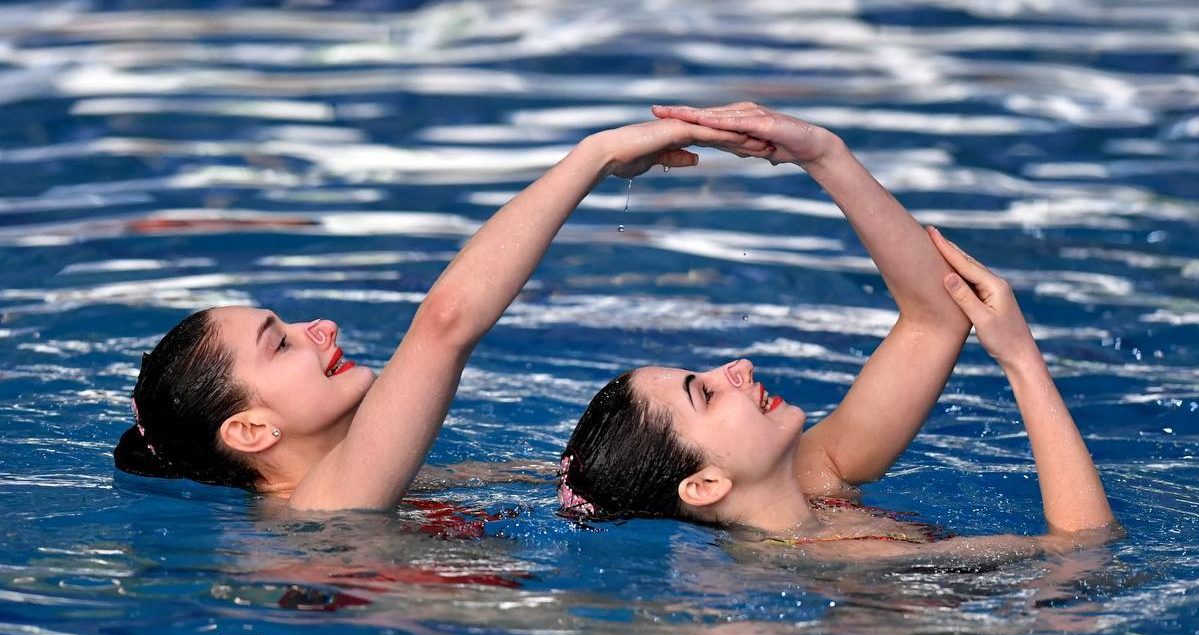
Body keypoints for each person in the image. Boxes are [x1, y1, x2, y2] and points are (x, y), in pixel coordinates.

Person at [114, 116, 767, 511]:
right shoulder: (326, 503)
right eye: (281, 344)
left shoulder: (391, 481)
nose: (321, 329)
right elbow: (446, 324)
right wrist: (592, 157)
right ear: (252, 432)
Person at [559, 104, 1118, 558]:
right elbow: (1083, 556)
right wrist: (1022, 360)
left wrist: (822, 154)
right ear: (705, 487)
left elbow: (939, 313)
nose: (736, 367)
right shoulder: (842, 556)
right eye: (704, 393)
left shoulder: (816, 481)